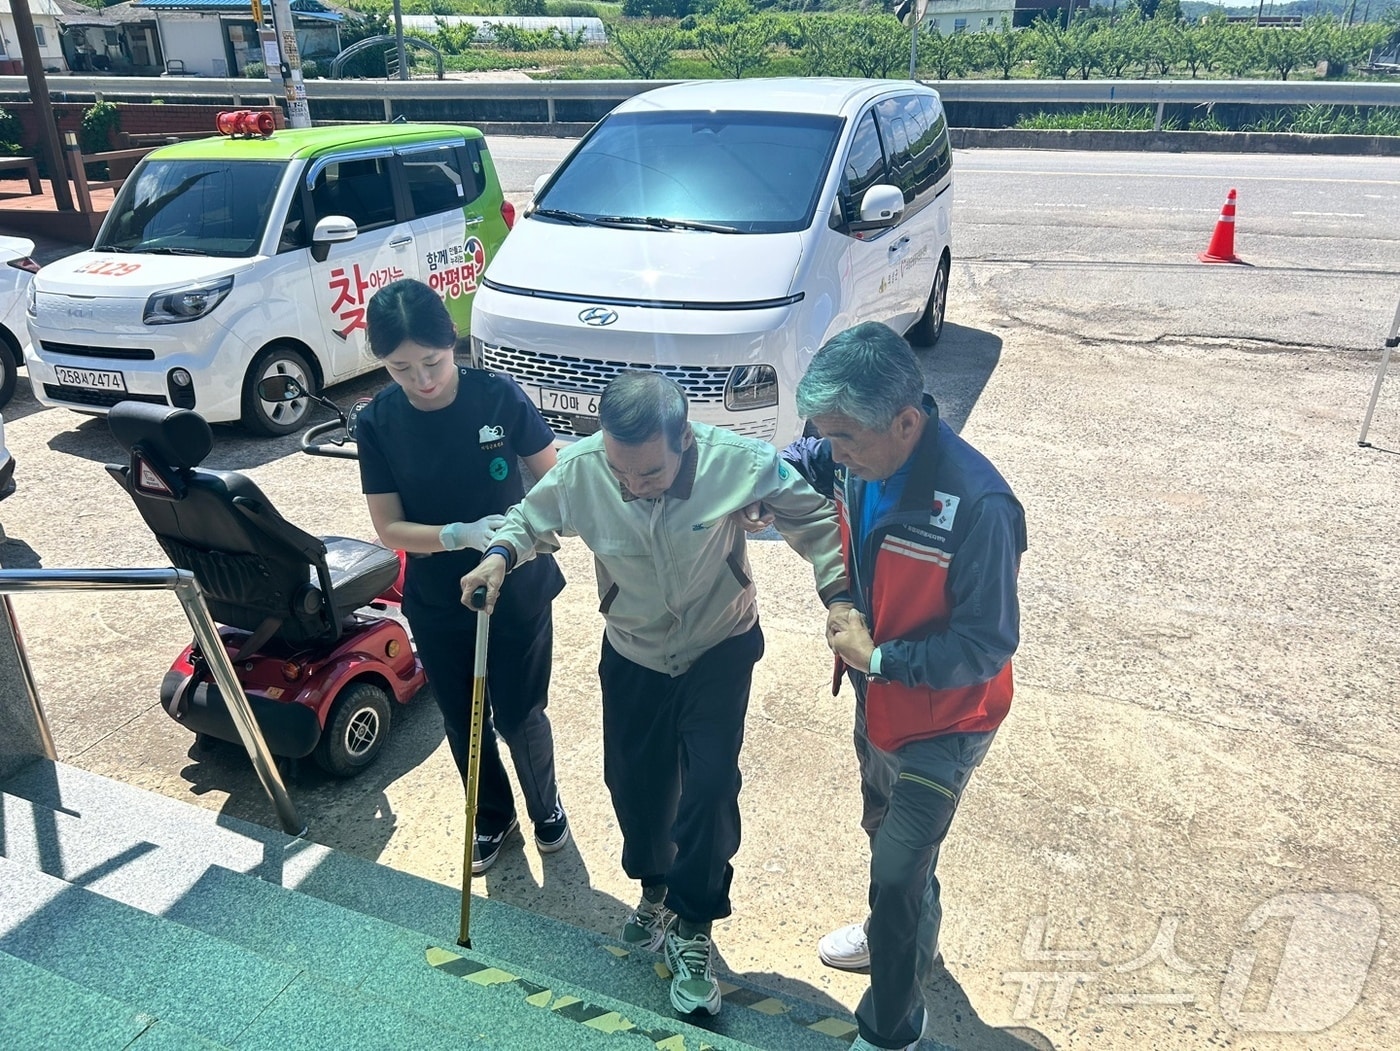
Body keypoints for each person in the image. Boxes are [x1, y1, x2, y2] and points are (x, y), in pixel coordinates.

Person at [458, 371, 848, 1019]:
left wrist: (839, 598)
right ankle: (656, 888)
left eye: (651, 473)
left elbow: (816, 521)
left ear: (686, 440)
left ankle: (694, 924)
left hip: (718, 647)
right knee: (633, 786)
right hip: (633, 649)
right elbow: (530, 518)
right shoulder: (586, 469)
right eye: (622, 471)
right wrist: (500, 553)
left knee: (710, 787)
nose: (634, 486)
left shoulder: (736, 464)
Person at [784, 322, 1026, 1051]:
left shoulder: (981, 505)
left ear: (908, 421)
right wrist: (757, 483)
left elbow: (987, 645)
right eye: (827, 436)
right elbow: (802, 460)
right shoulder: (859, 453)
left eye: (846, 439)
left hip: (948, 720)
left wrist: (881, 658)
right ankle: (901, 931)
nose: (835, 454)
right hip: (878, 702)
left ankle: (892, 1031)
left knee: (896, 872)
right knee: (887, 839)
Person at [356, 278, 569, 875]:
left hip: (519, 582)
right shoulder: (377, 422)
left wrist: (515, 533)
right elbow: (389, 527)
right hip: (438, 593)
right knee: (462, 713)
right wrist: (457, 534)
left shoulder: (499, 397)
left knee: (522, 711)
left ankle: (545, 805)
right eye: (402, 368)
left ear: (453, 342)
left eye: (433, 361)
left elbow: (552, 482)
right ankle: (491, 814)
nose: (423, 380)